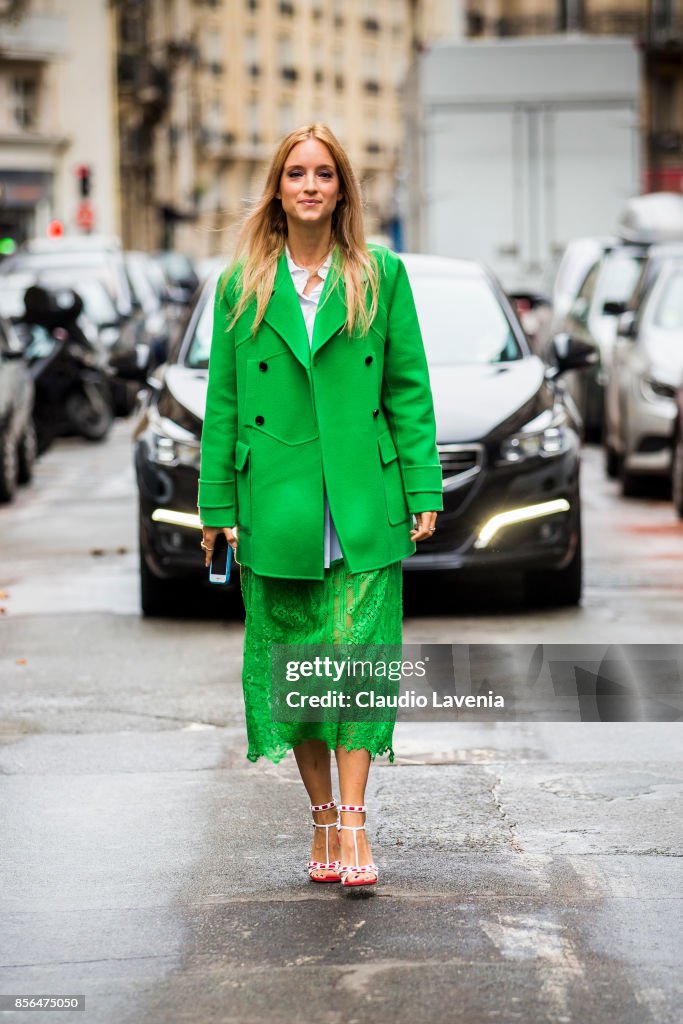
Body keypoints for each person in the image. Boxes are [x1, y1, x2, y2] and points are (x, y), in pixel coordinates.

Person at [198, 123, 442, 888]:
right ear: (277, 187)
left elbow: (407, 387)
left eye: (324, 174)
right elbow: (224, 402)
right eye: (296, 172)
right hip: (277, 501)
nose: (309, 184)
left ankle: (358, 822)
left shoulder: (380, 275)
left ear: (342, 189)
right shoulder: (242, 284)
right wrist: (215, 503)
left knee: (359, 661)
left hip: (363, 500)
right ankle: (322, 817)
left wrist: (422, 485)